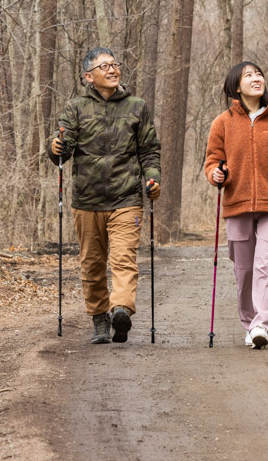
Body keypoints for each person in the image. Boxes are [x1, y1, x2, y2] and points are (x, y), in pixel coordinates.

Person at [48, 47, 161, 344]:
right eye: (104, 66)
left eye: (115, 64)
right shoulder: (75, 107)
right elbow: (64, 149)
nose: (113, 70)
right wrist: (55, 148)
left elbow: (149, 150)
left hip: (127, 198)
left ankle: (121, 310)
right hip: (87, 200)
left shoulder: (137, 106)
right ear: (89, 76)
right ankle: (100, 319)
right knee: (92, 263)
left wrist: (152, 178)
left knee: (123, 258)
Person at [202, 61, 268, 349]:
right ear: (237, 87)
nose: (256, 78)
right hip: (236, 204)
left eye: (258, 74)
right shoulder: (222, 123)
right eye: (248, 75)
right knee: (244, 269)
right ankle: (249, 323)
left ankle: (262, 324)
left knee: (266, 263)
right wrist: (216, 174)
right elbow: (212, 161)